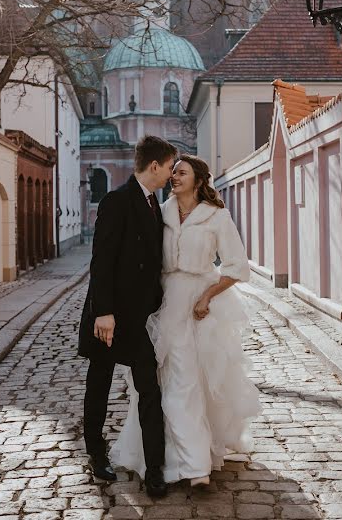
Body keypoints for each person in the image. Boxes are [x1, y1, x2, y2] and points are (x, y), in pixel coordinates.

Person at [111, 154, 262, 486]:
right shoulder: (160, 212)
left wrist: (207, 296)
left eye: (182, 172)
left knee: (192, 382)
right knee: (164, 382)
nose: (174, 177)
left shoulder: (217, 217)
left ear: (198, 179)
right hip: (164, 304)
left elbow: (238, 267)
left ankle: (196, 464)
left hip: (200, 305)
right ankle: (175, 458)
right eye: (173, 172)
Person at [77, 135, 178, 498]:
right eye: (169, 167)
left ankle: (154, 470)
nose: (170, 175)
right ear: (154, 165)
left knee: (150, 389)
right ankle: (95, 452)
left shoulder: (156, 204)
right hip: (110, 316)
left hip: (139, 320)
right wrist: (103, 312)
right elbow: (101, 260)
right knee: (99, 385)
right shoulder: (117, 200)